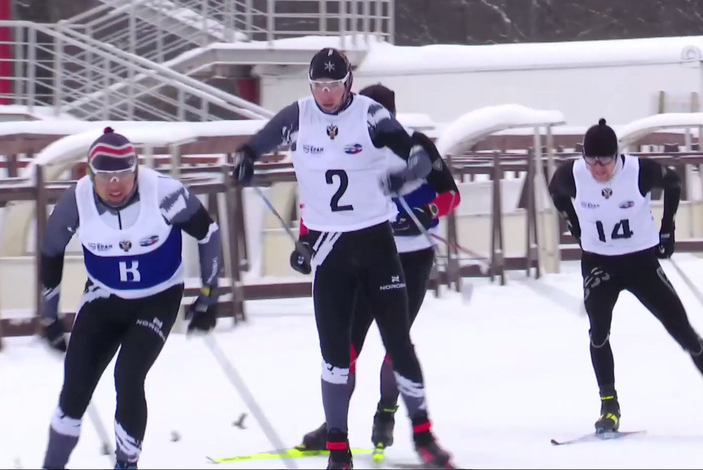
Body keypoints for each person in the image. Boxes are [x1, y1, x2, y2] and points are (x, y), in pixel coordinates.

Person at [232, 49, 455, 469]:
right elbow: (262, 140)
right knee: (336, 354)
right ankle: (338, 446)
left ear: (347, 84)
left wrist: (407, 171)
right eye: (319, 86)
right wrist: (246, 156)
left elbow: (417, 155)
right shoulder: (299, 115)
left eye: (333, 86)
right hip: (330, 251)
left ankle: (423, 435)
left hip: (375, 244)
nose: (326, 94)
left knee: (398, 344)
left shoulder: (370, 114)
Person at [292, 83, 461, 458]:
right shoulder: (338, 145)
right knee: (344, 351)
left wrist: (423, 211)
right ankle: (334, 427)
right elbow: (317, 202)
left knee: (395, 345)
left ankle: (387, 413)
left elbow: (450, 193)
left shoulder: (413, 146)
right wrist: (306, 241)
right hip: (356, 256)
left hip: (408, 260)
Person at [548, 118, 703, 435]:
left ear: (617, 155)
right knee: (598, 332)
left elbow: (674, 183)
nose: (599, 169)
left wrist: (667, 228)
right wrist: (572, 221)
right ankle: (609, 406)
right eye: (593, 161)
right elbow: (555, 191)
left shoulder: (638, 172)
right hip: (599, 263)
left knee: (683, 331)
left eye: (606, 161)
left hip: (641, 262)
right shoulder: (572, 175)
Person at [39, 128, 222, 470]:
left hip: (158, 297)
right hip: (104, 298)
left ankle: (126, 463)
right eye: (105, 175)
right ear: (90, 175)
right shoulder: (75, 201)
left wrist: (208, 298)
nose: (115, 184)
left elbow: (208, 233)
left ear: (136, 169)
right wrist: (49, 316)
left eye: (124, 173)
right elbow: (51, 252)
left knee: (128, 375)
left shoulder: (165, 193)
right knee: (75, 387)